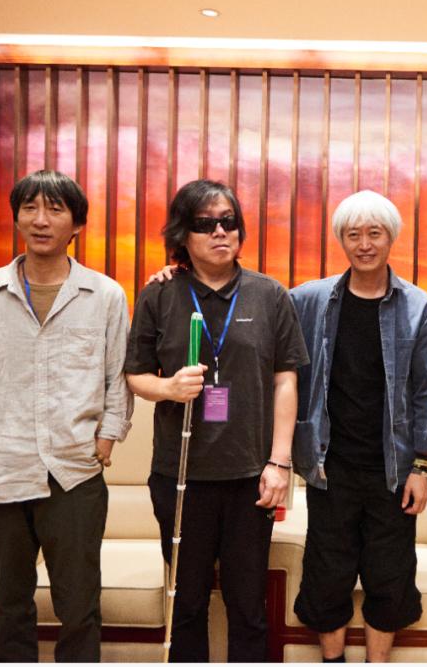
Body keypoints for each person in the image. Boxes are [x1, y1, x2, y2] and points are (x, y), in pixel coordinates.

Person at [0, 169, 132, 662]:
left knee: (80, 609)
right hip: (0, 469)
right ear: (17, 219)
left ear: (77, 224)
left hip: (74, 473)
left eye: (54, 209)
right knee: (9, 609)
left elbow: (117, 377)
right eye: (29, 208)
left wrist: (107, 438)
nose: (40, 220)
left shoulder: (105, 295)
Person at [124, 180, 309, 662]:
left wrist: (280, 463)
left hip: (251, 477)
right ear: (182, 235)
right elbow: (134, 375)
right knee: (186, 605)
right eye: (205, 224)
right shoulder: (160, 294)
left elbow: (285, 382)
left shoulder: (269, 294)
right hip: (180, 476)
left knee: (247, 606)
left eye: (229, 222)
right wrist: (168, 388)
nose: (220, 232)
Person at [288, 190, 427, 662]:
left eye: (374, 233)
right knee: (327, 575)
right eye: (353, 234)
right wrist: (178, 275)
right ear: (341, 240)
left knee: (389, 577)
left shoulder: (419, 307)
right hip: (329, 466)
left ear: (390, 237)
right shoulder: (309, 300)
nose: (364, 244)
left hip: (392, 470)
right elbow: (252, 305)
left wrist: (422, 466)